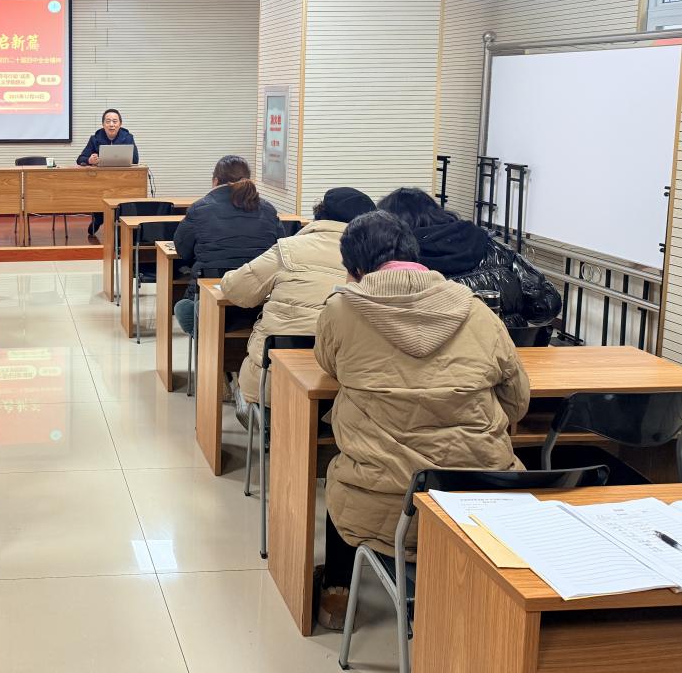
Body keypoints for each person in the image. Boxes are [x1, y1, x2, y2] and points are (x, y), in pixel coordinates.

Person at [314, 211, 530, 629]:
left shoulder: (340, 311)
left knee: (344, 468)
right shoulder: (477, 310)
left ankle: (337, 596)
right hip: (479, 501)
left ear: (354, 269)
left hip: (383, 506)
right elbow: (517, 401)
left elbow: (329, 363)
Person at [221, 187, 376, 410]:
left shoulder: (289, 249)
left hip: (272, 379)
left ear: (319, 214)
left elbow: (238, 290)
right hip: (348, 388)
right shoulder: (374, 260)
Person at [377, 187, 561, 344]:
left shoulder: (400, 262)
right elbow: (548, 304)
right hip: (507, 358)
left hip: (444, 363)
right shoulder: (495, 247)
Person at [172, 155, 285, 337]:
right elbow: (281, 248)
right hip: (260, 296)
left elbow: (183, 250)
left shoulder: (199, 208)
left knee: (183, 307)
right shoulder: (268, 210)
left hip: (211, 287)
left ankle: (207, 336)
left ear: (215, 181)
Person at [77, 108, 139, 235]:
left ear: (120, 124)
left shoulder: (128, 138)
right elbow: (80, 159)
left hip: (121, 180)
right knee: (99, 193)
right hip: (101, 182)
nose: (111, 124)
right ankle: (98, 218)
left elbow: (135, 159)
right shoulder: (95, 138)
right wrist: (89, 160)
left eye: (115, 121)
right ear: (103, 124)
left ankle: (121, 224)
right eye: (108, 121)